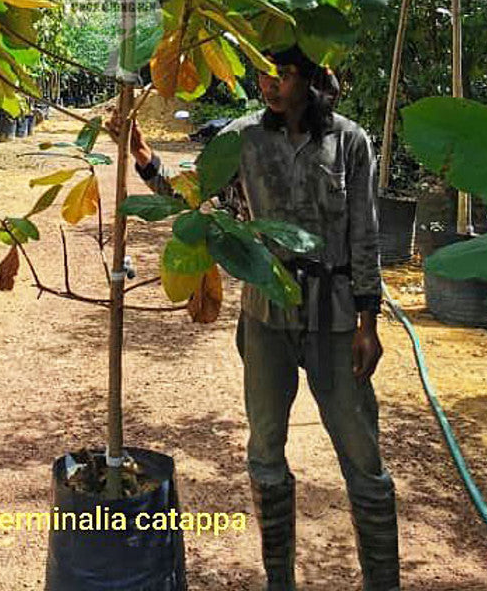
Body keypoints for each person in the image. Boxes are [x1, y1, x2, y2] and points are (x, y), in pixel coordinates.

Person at [126, 44, 400, 591]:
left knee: (363, 460)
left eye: (284, 75)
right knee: (265, 454)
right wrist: (143, 157)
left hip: (336, 317)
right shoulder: (243, 140)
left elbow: (366, 236)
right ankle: (280, 581)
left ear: (310, 79)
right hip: (266, 315)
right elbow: (195, 198)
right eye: (262, 75)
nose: (270, 85)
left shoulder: (349, 141)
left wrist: (370, 320)